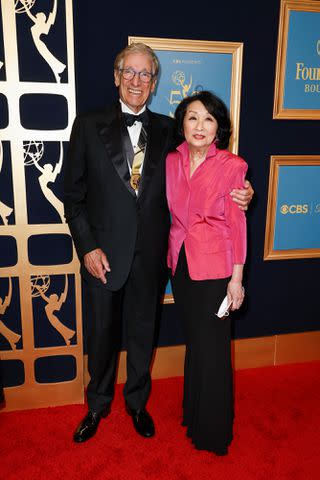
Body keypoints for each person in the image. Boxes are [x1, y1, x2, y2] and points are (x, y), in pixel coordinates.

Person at [63, 43, 253, 444]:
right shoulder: (87, 124)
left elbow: (208, 164)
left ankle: (136, 403)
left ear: (154, 82)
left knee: (142, 333)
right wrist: (88, 248)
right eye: (129, 72)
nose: (136, 81)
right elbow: (72, 196)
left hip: (151, 256)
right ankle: (96, 405)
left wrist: (244, 191)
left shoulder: (170, 128)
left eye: (145, 74)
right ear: (116, 77)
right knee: (101, 333)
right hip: (102, 256)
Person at [166, 91, 248, 456]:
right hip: (181, 264)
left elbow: (238, 225)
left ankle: (213, 432)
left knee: (214, 349)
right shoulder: (171, 160)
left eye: (209, 119)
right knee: (196, 343)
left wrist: (237, 278)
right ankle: (194, 413)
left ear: (219, 128)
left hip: (217, 269)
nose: (200, 126)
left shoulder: (232, 166)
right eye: (192, 117)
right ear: (182, 123)